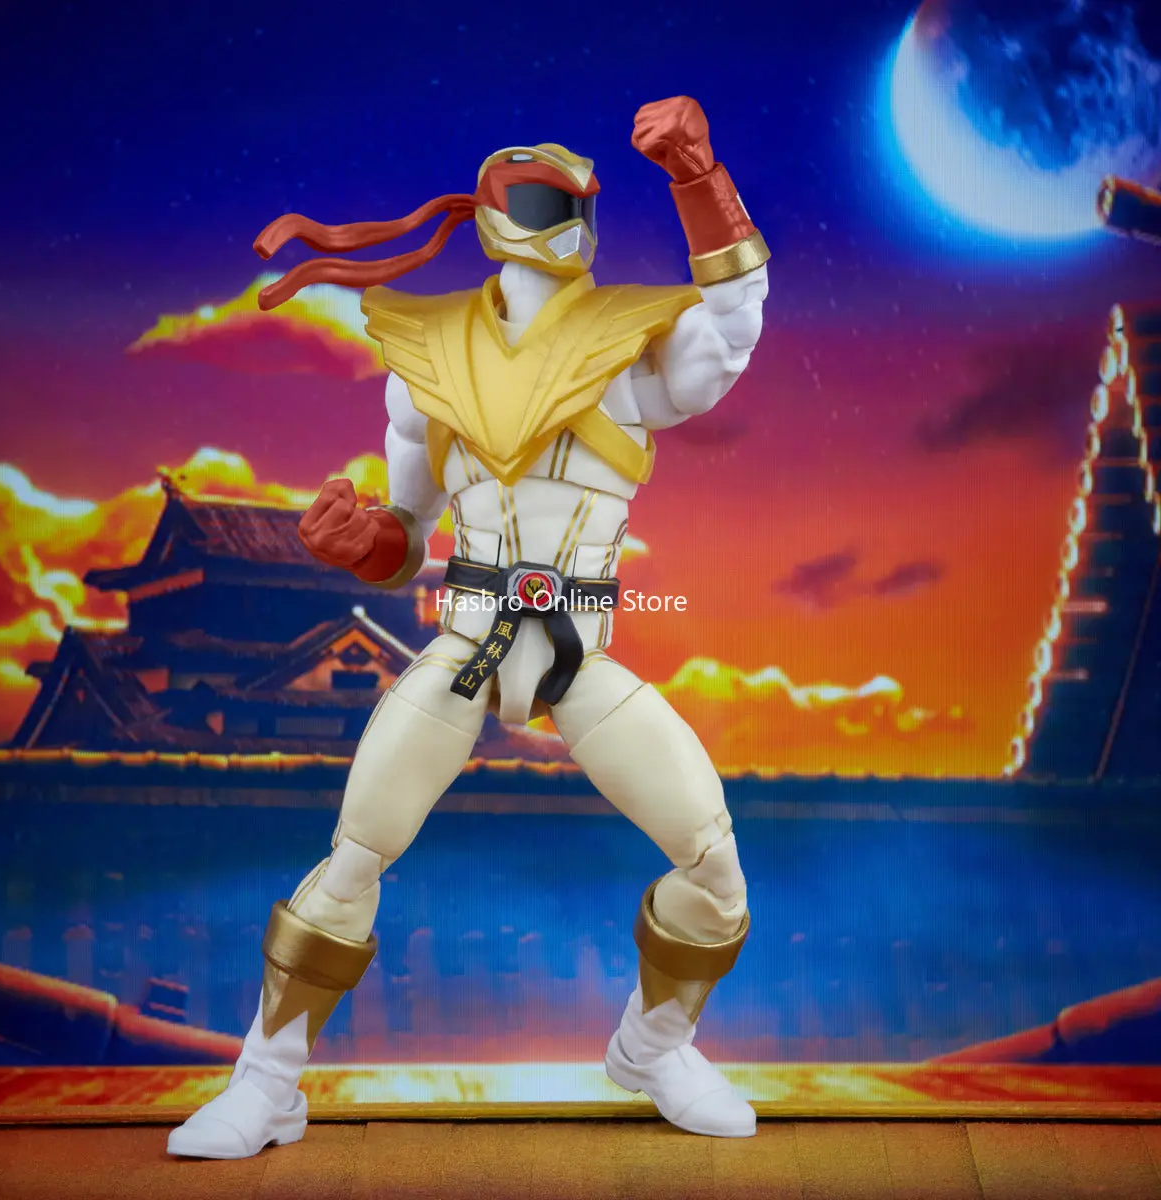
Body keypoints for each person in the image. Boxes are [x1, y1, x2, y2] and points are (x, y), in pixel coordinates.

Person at [168, 95, 770, 1159]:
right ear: (497, 215)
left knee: (715, 871)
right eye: (548, 204)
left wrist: (698, 179)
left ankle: (654, 1046)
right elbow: (405, 536)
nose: (571, 223)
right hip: (467, 645)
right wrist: (356, 542)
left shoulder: (631, 339)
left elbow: (730, 328)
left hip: (579, 653)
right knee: (354, 858)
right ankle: (266, 1082)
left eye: (582, 205)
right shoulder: (429, 357)